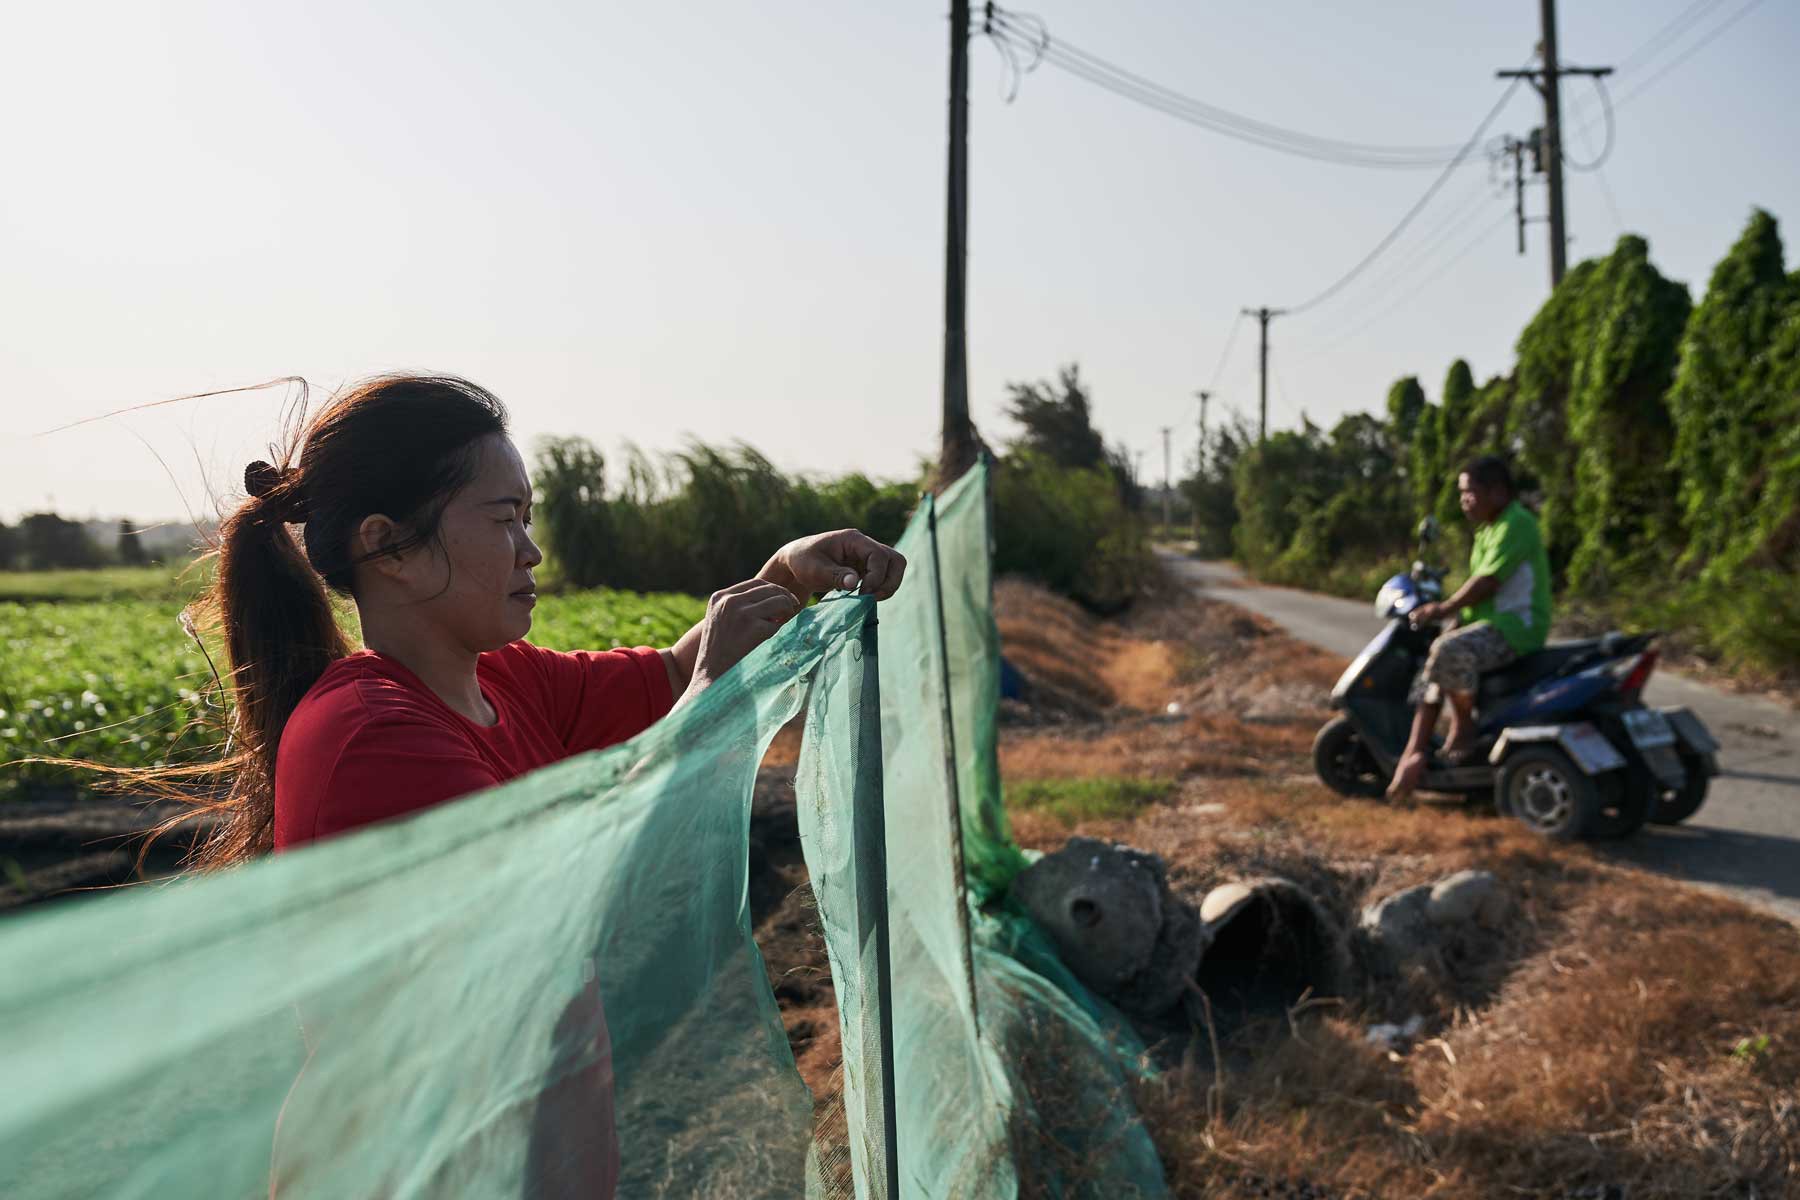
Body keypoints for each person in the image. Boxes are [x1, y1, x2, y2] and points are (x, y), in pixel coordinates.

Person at [157, 373, 904, 859]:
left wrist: (783, 574)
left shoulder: (499, 679)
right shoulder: (371, 736)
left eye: (529, 519)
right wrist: (705, 704)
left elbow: (673, 676)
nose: (532, 552)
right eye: (504, 520)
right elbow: (566, 893)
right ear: (388, 547)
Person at [1387, 455, 1550, 799]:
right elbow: (1478, 597)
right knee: (1433, 665)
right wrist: (1451, 621)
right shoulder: (1486, 532)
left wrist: (1442, 608)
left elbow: (1487, 582)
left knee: (1450, 650)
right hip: (1490, 624)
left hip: (1516, 629)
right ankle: (1413, 754)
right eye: (1462, 493)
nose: (1464, 501)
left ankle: (1463, 726)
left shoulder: (1516, 523)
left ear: (1497, 492)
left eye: (1469, 492)